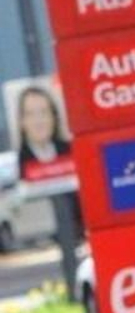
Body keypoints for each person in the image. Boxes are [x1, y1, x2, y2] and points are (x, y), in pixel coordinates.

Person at [15, 87, 83, 288]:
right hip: (42, 243)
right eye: (31, 114)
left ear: (54, 116)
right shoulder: (23, 160)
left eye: (44, 112)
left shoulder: (68, 151)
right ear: (22, 121)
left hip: (77, 232)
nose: (39, 121)